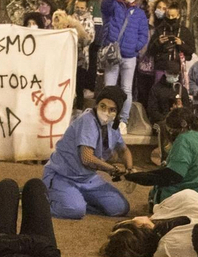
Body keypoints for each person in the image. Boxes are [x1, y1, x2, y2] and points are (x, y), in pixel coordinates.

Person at [42, 86, 133, 220]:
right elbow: (87, 158)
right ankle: (39, 198)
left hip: (88, 178)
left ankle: (74, 199)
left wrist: (130, 169)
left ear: (117, 112)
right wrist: (112, 169)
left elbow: (123, 150)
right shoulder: (87, 120)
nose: (106, 112)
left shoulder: (112, 125)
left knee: (120, 208)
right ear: (96, 104)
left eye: (112, 109)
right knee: (74, 210)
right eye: (102, 106)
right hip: (63, 175)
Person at [127, 106, 198, 209]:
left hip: (185, 197)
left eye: (171, 131)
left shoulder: (183, 139)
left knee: (156, 191)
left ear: (183, 125)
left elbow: (173, 176)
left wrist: (137, 177)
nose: (171, 135)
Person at [98, 0, 148, 126]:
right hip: (113, 54)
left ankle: (123, 120)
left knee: (127, 89)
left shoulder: (139, 13)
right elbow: (104, 4)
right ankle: (106, 117)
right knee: (109, 87)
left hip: (129, 56)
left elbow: (143, 34)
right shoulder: (114, 6)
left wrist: (135, 47)